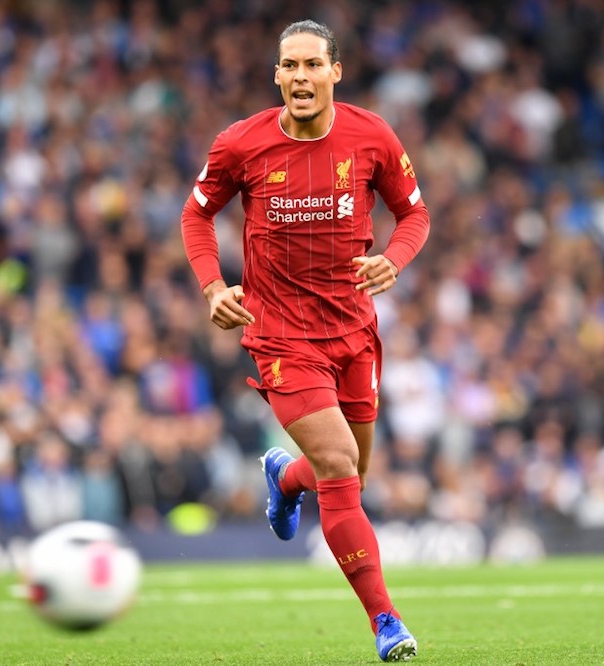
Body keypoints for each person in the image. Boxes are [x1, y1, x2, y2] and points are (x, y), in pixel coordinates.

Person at [181, 19, 428, 662]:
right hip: (282, 337)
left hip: (353, 329)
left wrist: (396, 258)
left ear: (335, 73)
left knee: (350, 473)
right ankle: (386, 622)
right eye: (288, 67)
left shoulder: (371, 135)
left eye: (311, 65)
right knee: (341, 466)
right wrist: (213, 287)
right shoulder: (241, 145)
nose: (299, 77)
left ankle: (286, 480)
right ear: (277, 76)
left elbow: (415, 213)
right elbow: (197, 213)